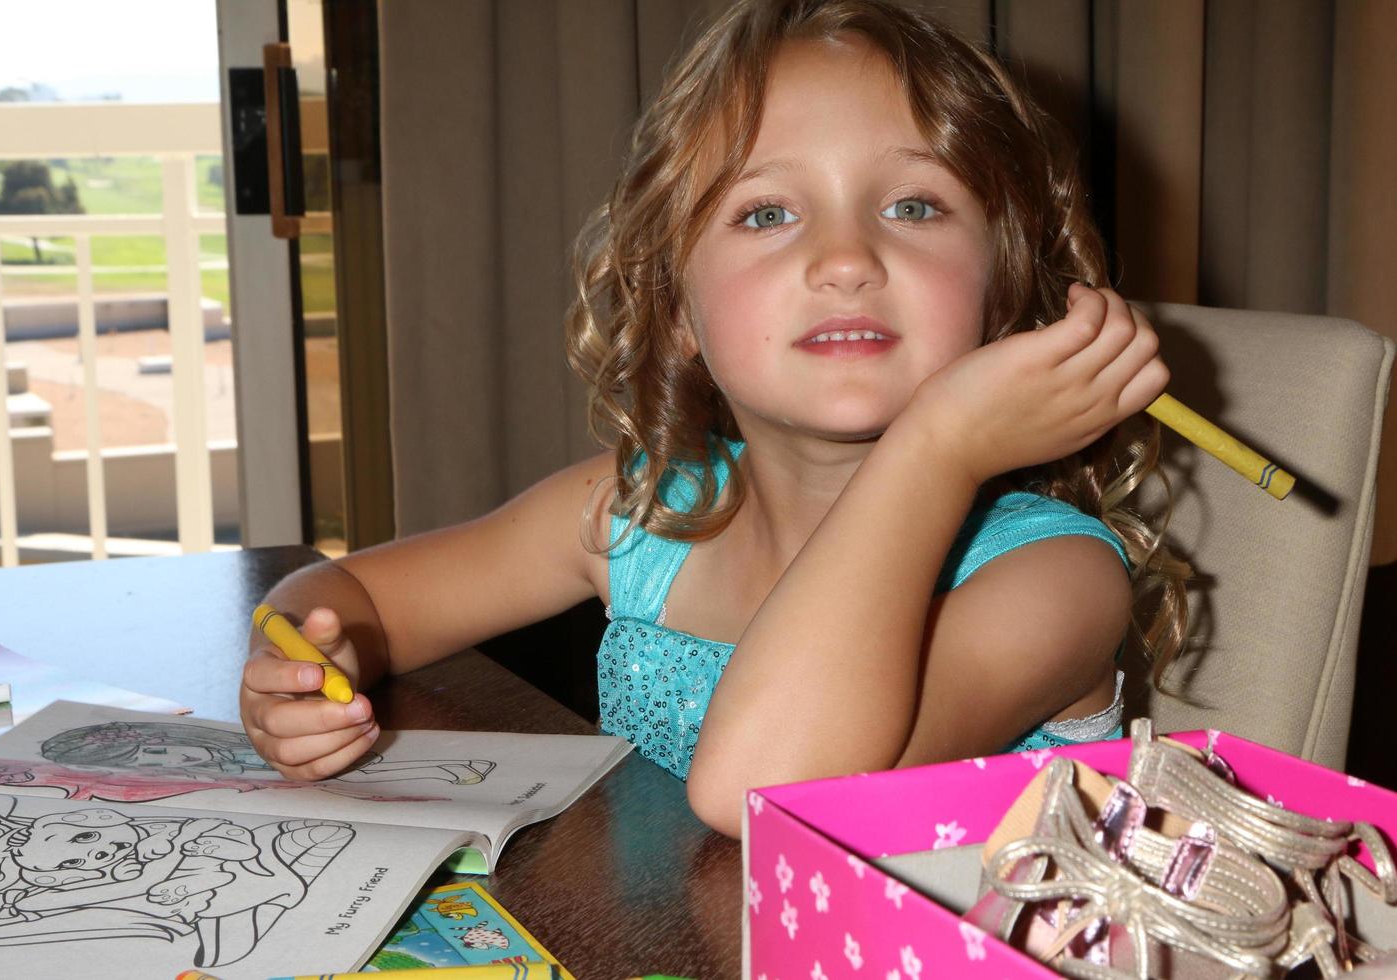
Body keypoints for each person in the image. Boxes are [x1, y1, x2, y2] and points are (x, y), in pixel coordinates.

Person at [239, 0, 1188, 837]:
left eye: (913, 204)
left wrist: (935, 448)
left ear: (1003, 299)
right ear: (680, 313)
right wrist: (298, 665)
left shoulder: (1055, 579)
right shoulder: (643, 512)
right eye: (768, 213)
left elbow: (767, 795)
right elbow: (346, 598)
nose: (846, 257)